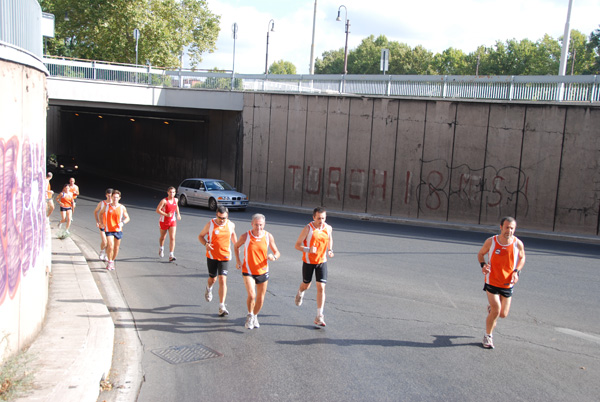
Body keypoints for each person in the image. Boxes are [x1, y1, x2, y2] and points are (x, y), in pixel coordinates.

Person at [477, 216, 526, 349]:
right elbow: (480, 254)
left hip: (507, 283)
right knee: (496, 310)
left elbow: (522, 258)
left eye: (512, 228)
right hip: (492, 281)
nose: (509, 231)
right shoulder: (491, 241)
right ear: (501, 227)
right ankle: (488, 336)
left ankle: (491, 309)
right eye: (506, 227)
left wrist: (517, 271)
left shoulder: (517, 243)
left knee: (503, 314)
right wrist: (483, 265)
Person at [234, 214, 280, 330]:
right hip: (248, 270)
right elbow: (236, 246)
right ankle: (250, 315)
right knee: (252, 294)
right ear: (251, 224)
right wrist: (238, 260)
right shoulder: (246, 236)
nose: (258, 228)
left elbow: (277, 252)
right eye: (256, 225)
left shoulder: (268, 236)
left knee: (260, 298)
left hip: (263, 270)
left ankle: (254, 316)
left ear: (264, 225)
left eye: (260, 225)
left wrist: (273, 257)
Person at [294, 207, 334, 327]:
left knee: (321, 287)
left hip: (322, 261)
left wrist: (330, 250)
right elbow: (297, 245)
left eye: (323, 218)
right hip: (308, 261)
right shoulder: (308, 228)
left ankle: (319, 315)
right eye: (318, 218)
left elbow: (330, 240)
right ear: (313, 217)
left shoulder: (328, 228)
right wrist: (308, 249)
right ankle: (300, 292)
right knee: (306, 284)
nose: (321, 221)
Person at [198, 206, 237, 316]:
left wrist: (237, 246)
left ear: (227, 216)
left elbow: (233, 237)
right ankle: (208, 288)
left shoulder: (231, 225)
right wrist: (206, 244)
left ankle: (221, 306)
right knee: (213, 279)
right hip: (212, 256)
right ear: (216, 215)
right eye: (220, 218)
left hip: (225, 256)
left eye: (224, 218)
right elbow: (200, 236)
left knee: (222, 279)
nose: (221, 220)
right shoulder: (210, 224)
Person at [100, 190, 131, 270]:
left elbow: (127, 218)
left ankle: (112, 261)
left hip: (118, 229)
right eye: (114, 197)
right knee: (110, 245)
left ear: (119, 198)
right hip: (109, 229)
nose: (115, 199)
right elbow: (100, 213)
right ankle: (109, 262)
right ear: (111, 197)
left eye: (117, 197)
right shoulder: (107, 206)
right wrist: (101, 222)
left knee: (116, 248)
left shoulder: (122, 207)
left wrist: (122, 223)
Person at [156, 186, 181, 262]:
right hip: (164, 221)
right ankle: (161, 248)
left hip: (172, 221)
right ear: (167, 192)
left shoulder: (176, 200)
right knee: (163, 237)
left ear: (175, 193)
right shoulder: (164, 201)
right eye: (170, 192)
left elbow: (176, 206)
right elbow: (157, 210)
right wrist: (166, 214)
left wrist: (178, 214)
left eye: (173, 192)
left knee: (172, 237)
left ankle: (171, 254)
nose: (172, 194)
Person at [94, 188, 113, 261]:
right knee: (104, 241)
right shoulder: (102, 203)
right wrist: (97, 221)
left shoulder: (114, 205)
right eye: (108, 196)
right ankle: (102, 252)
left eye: (111, 196)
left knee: (109, 242)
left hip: (110, 226)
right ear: (106, 195)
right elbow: (95, 212)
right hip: (102, 225)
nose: (110, 198)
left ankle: (106, 254)